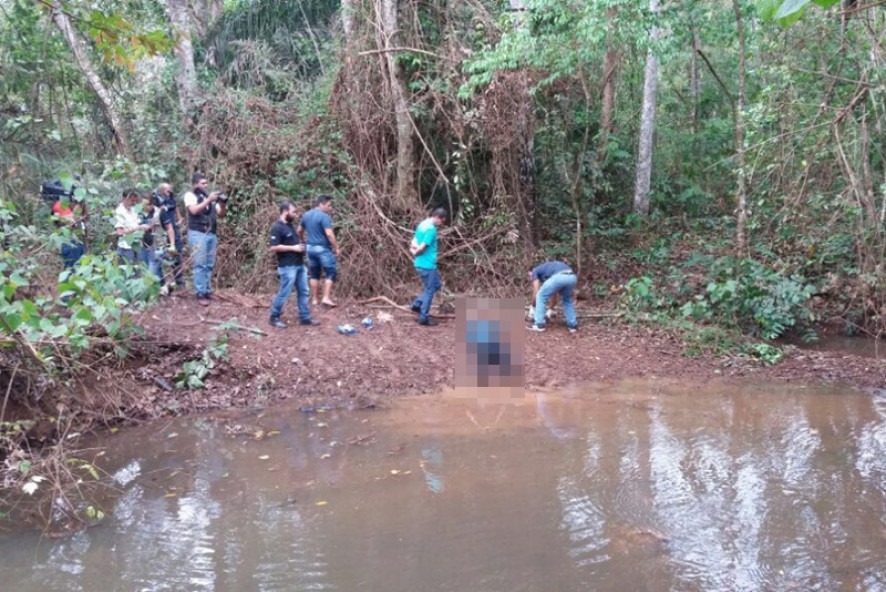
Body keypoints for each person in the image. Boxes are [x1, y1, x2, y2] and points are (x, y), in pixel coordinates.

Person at [268, 201, 318, 329]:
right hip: (287, 266)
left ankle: (305, 317)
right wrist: (294, 248)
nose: (296, 215)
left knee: (304, 291)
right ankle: (274, 317)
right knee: (285, 292)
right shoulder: (277, 228)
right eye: (293, 212)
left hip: (299, 264)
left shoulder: (290, 226)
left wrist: (302, 247)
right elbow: (274, 247)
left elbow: (295, 243)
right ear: (285, 211)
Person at [183, 172, 228, 306]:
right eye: (203, 183)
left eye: (206, 183)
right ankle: (200, 293)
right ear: (195, 184)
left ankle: (207, 291)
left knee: (209, 264)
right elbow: (194, 211)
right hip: (197, 233)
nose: (205, 185)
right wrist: (208, 200)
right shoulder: (190, 196)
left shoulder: (210, 198)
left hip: (211, 234)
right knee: (200, 264)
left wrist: (223, 203)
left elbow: (221, 214)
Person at [298, 195, 340, 308]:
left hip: (310, 248)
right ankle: (326, 298)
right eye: (328, 205)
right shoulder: (324, 216)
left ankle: (315, 300)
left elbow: (299, 230)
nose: (330, 208)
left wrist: (302, 240)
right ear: (321, 204)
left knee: (314, 274)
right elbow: (329, 234)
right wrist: (336, 247)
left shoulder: (306, 215)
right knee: (331, 272)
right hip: (322, 248)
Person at [410, 208, 448, 327]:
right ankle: (424, 318)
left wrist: (412, 250)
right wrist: (415, 253)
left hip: (421, 264)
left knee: (436, 285)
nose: (441, 223)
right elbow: (422, 248)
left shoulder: (423, 224)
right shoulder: (431, 229)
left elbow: (414, 241)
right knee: (430, 290)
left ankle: (417, 304)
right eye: (441, 221)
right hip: (427, 265)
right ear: (437, 217)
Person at [528, 260, 578, 333]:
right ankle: (572, 326)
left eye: (530, 275)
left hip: (559, 277)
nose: (530, 278)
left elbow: (536, 291)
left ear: (531, 271)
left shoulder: (535, 270)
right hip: (572, 277)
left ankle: (539, 325)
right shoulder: (548, 271)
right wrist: (550, 310)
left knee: (541, 296)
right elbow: (554, 293)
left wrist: (532, 307)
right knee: (567, 300)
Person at [153, 182, 184, 290]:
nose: (169, 192)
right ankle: (161, 284)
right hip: (161, 232)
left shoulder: (171, 199)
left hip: (173, 230)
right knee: (159, 257)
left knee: (176, 255)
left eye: (170, 190)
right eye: (167, 190)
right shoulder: (157, 201)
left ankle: (179, 282)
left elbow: (176, 210)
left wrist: (179, 219)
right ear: (161, 191)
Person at [114, 189, 151, 271]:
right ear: (124, 199)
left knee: (137, 270)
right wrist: (138, 228)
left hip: (136, 245)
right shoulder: (119, 212)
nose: (134, 203)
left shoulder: (133, 210)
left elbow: (137, 224)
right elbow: (120, 232)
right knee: (127, 271)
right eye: (132, 200)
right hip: (125, 247)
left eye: (135, 201)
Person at [52, 194, 88, 268]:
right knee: (72, 269)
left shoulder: (74, 204)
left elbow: (85, 218)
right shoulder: (60, 205)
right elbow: (71, 221)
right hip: (69, 241)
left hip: (78, 241)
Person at [138, 193, 163, 285]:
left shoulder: (158, 213)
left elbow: (168, 227)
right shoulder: (138, 212)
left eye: (147, 204)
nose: (145, 207)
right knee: (144, 267)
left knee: (151, 271)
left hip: (155, 245)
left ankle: (149, 292)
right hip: (142, 244)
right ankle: (161, 287)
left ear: (152, 204)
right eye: (143, 204)